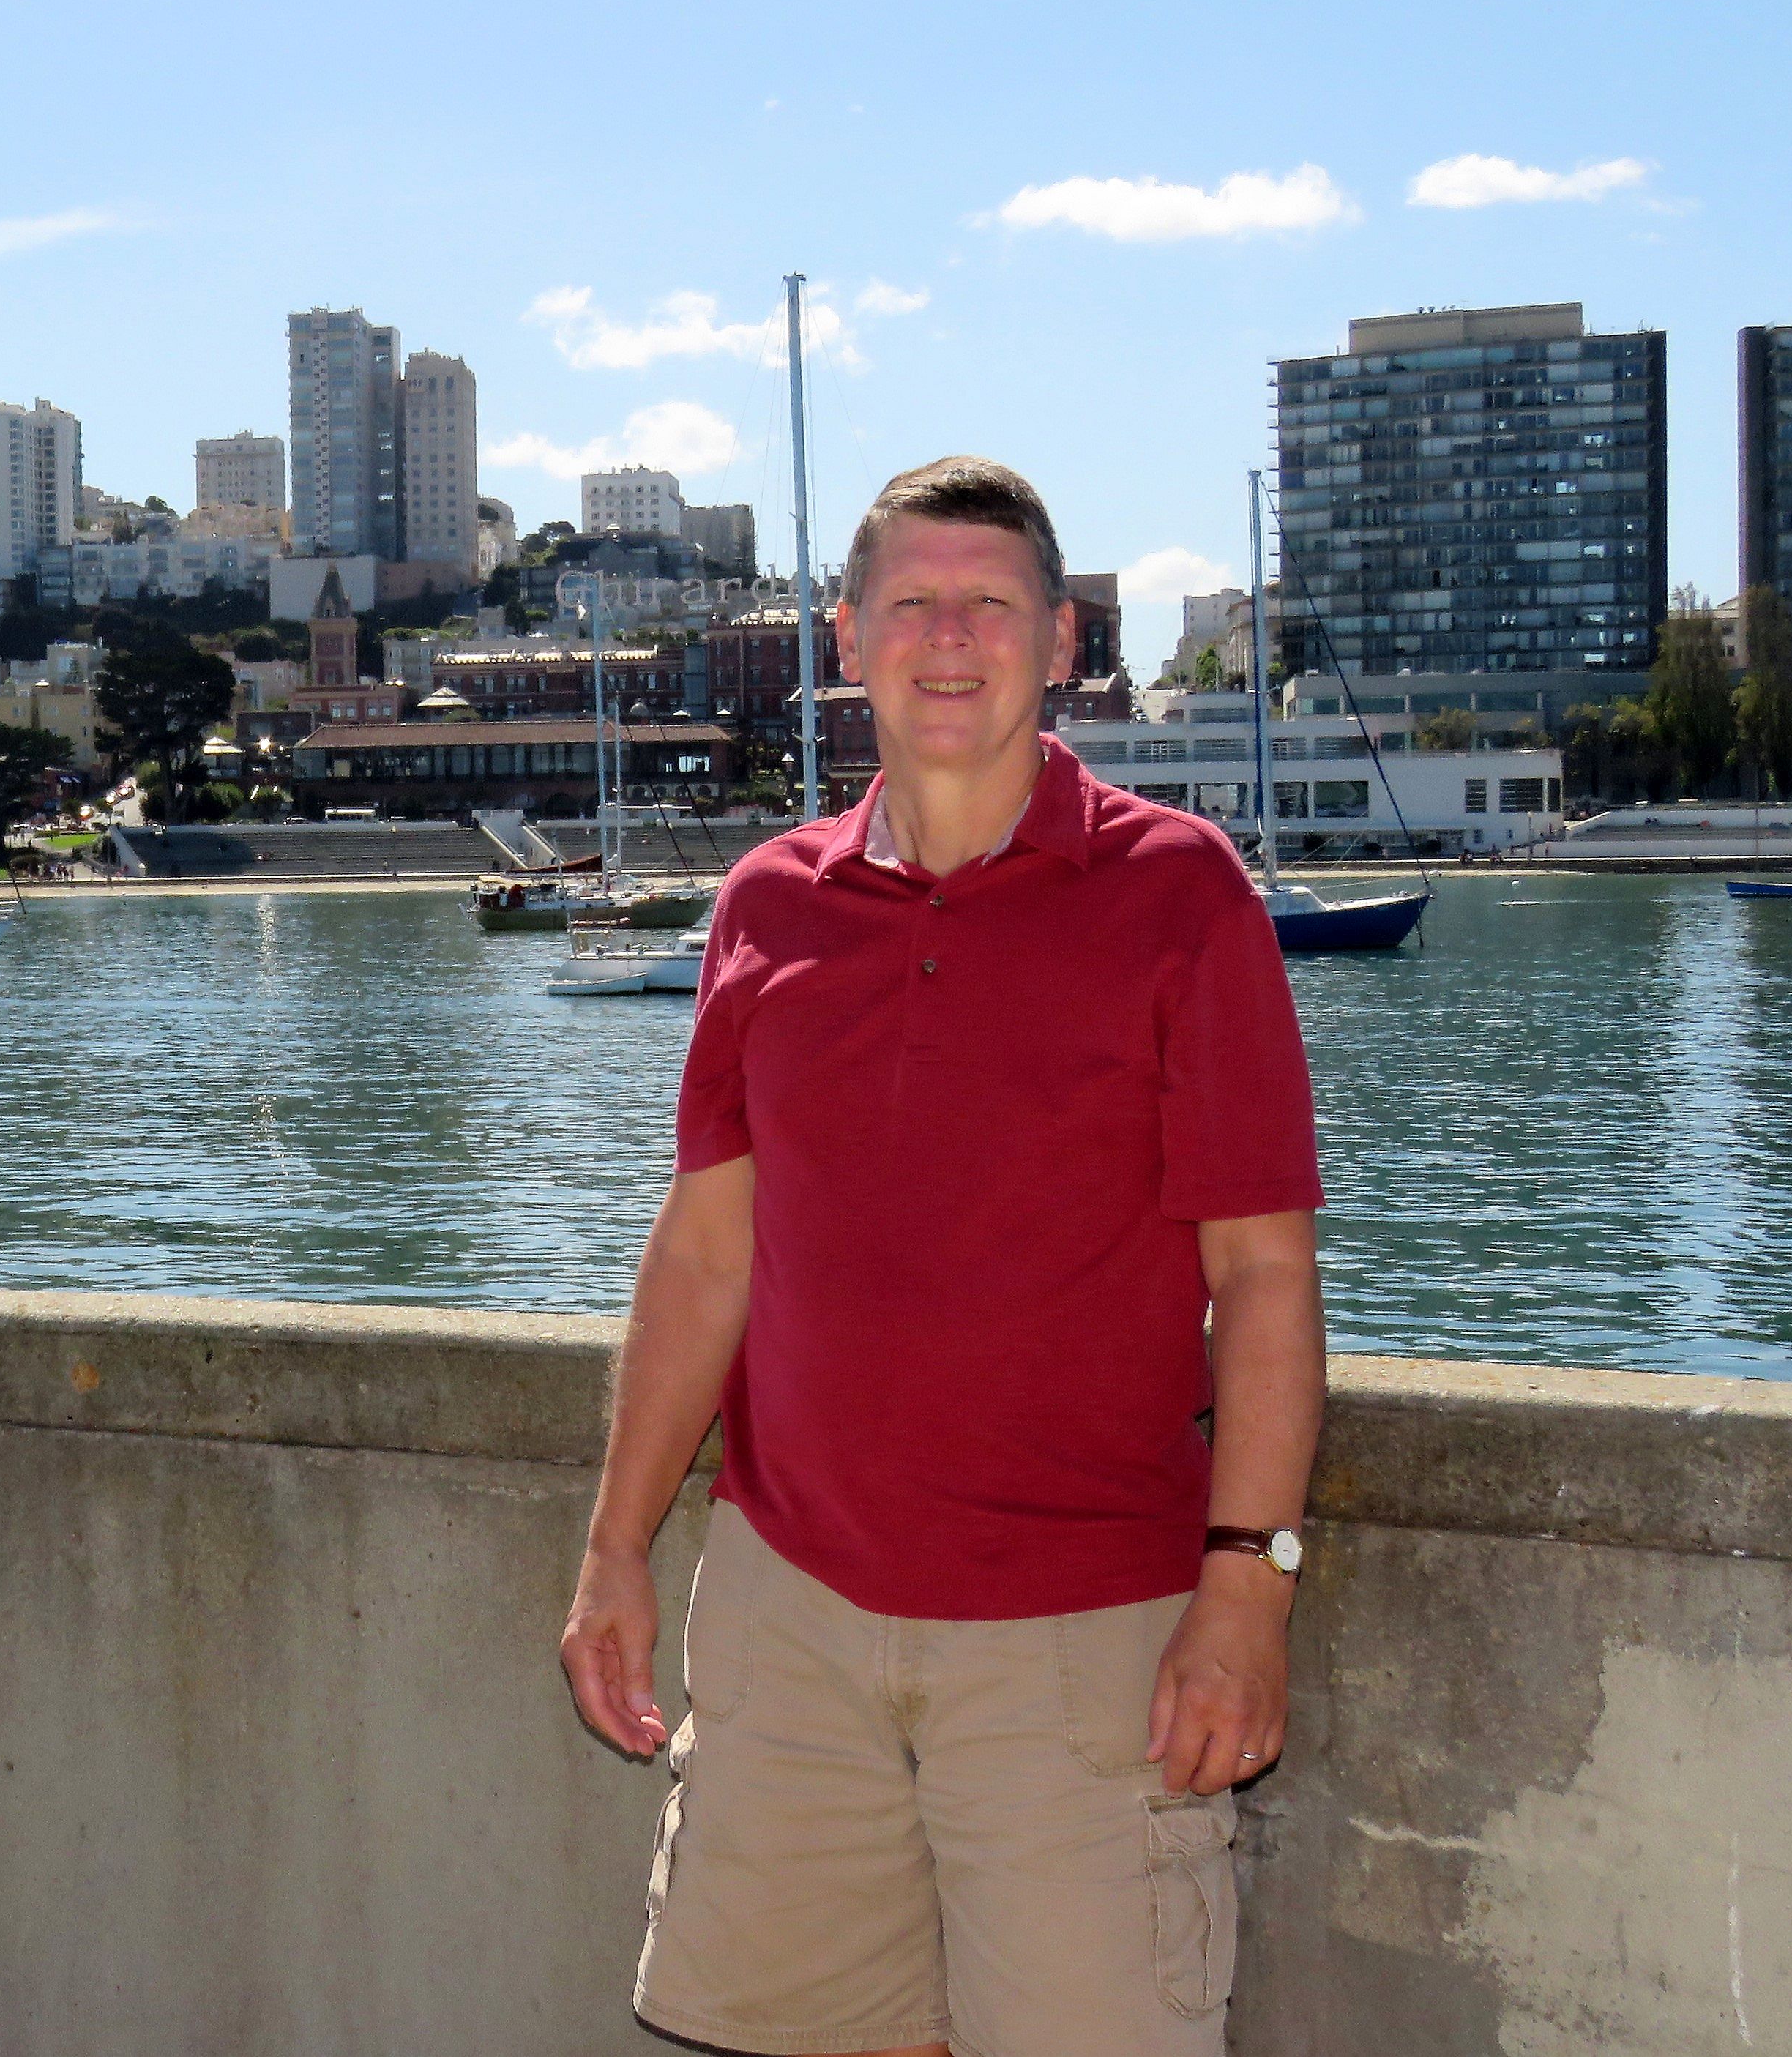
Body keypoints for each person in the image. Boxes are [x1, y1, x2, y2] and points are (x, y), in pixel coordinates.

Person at [558, 455, 1326, 2056]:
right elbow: (706, 1254)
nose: (951, 634)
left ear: (1063, 641)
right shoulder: (767, 904)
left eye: (993, 601)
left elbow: (1260, 1273)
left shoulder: (1182, 891)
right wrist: (616, 1543)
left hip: (1084, 1633)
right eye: (912, 600)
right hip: (788, 1617)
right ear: (848, 639)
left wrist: (1247, 1585)